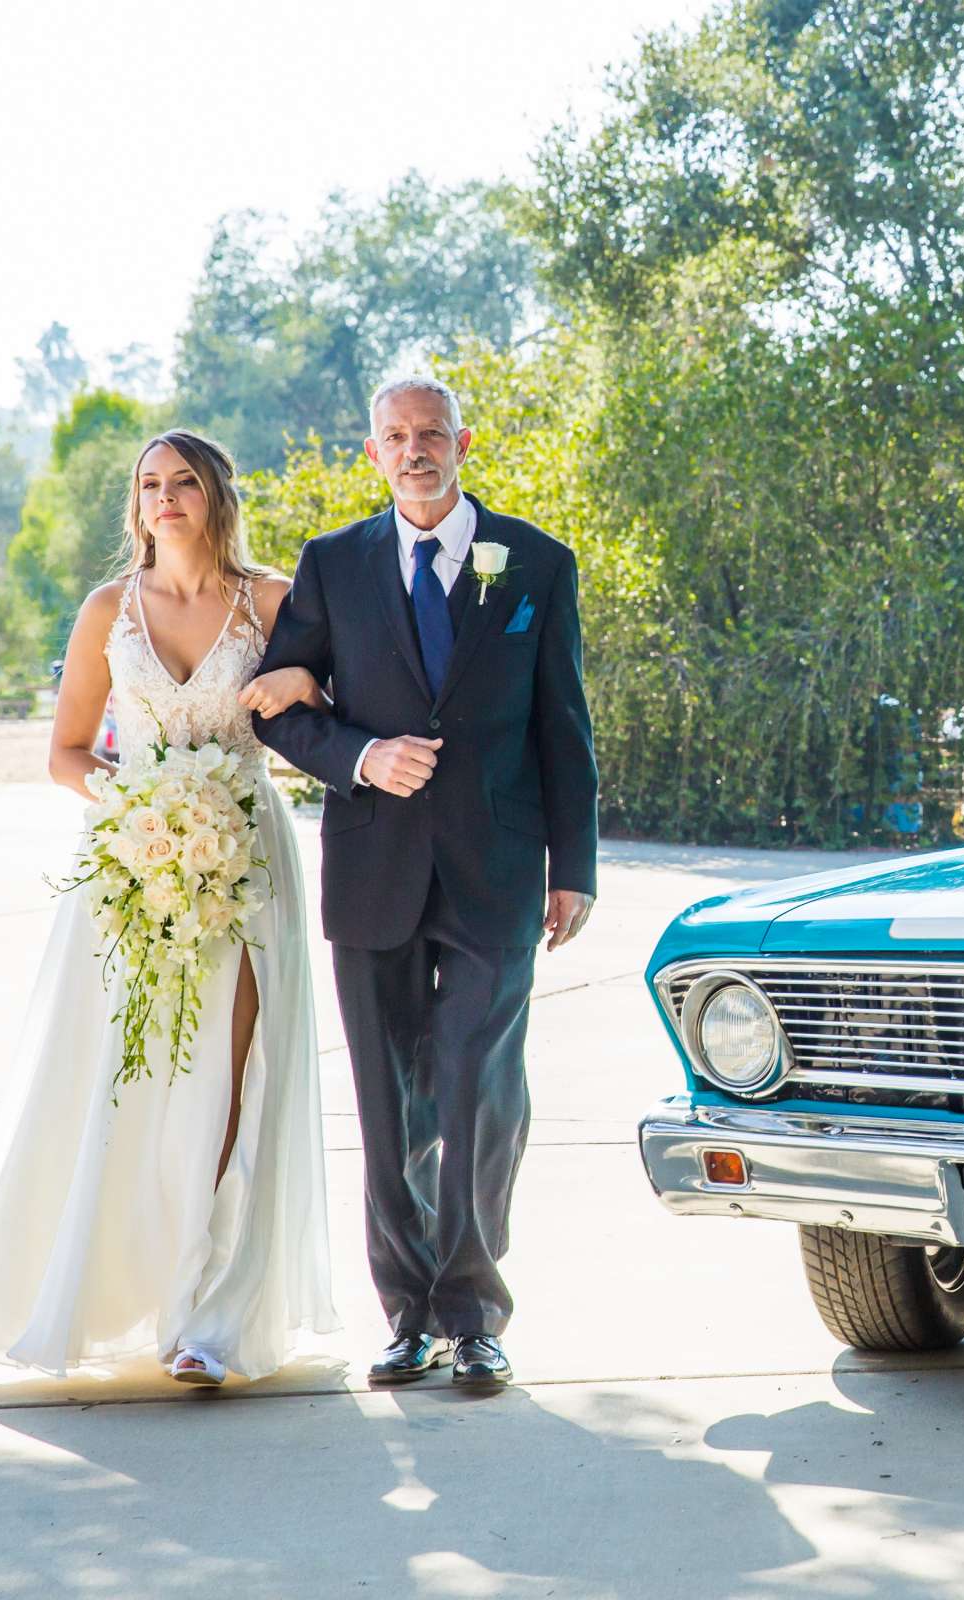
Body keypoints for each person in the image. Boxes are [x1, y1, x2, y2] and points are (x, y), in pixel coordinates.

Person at [0, 430, 341, 1386]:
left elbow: (332, 702)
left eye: (184, 482)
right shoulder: (108, 610)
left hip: (248, 857)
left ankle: (209, 1314)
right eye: (150, 485)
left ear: (214, 495)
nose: (166, 498)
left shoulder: (276, 601)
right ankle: (128, 1283)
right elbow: (68, 751)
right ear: (136, 504)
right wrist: (141, 815)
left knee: (235, 1081)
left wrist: (306, 678)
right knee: (134, 1084)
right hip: (135, 866)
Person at [253, 376, 597, 1390]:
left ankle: (474, 1311)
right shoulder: (332, 566)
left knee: (479, 1091)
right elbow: (281, 709)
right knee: (389, 1103)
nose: (416, 449)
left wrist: (571, 868)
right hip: (374, 871)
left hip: (496, 871)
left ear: (462, 443)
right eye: (397, 436)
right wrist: (361, 756)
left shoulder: (536, 562)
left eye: (432, 433)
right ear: (374, 453)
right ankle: (406, 1314)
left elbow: (562, 726)